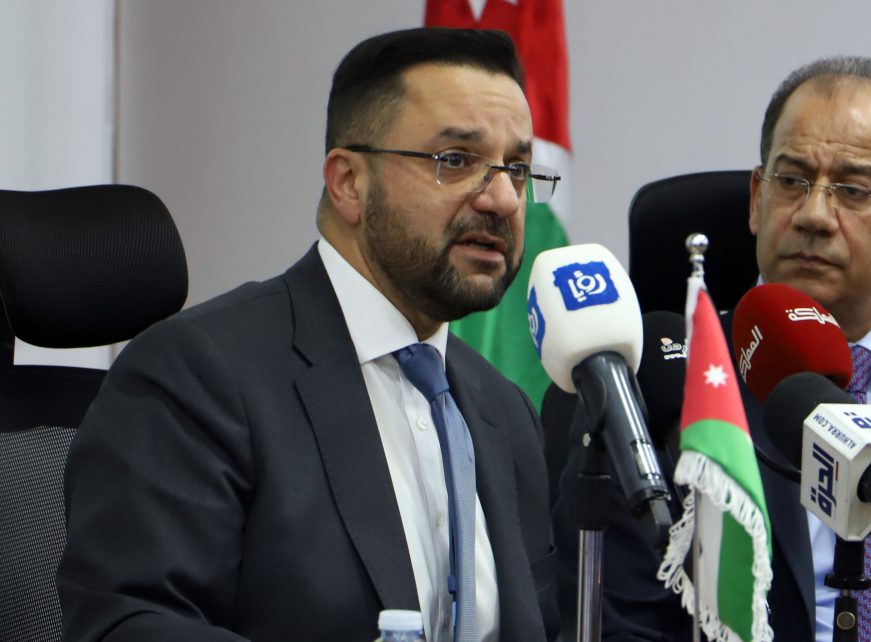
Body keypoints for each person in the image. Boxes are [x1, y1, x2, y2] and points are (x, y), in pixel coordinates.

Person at [58, 28, 560, 642]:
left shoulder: (505, 411)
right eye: (455, 160)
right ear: (348, 182)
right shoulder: (197, 375)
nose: (504, 199)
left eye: (518, 169)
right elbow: (128, 624)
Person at [550, 56, 871, 641]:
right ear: (756, 199)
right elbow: (623, 624)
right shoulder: (662, 389)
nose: (815, 215)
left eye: (853, 190)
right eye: (792, 181)